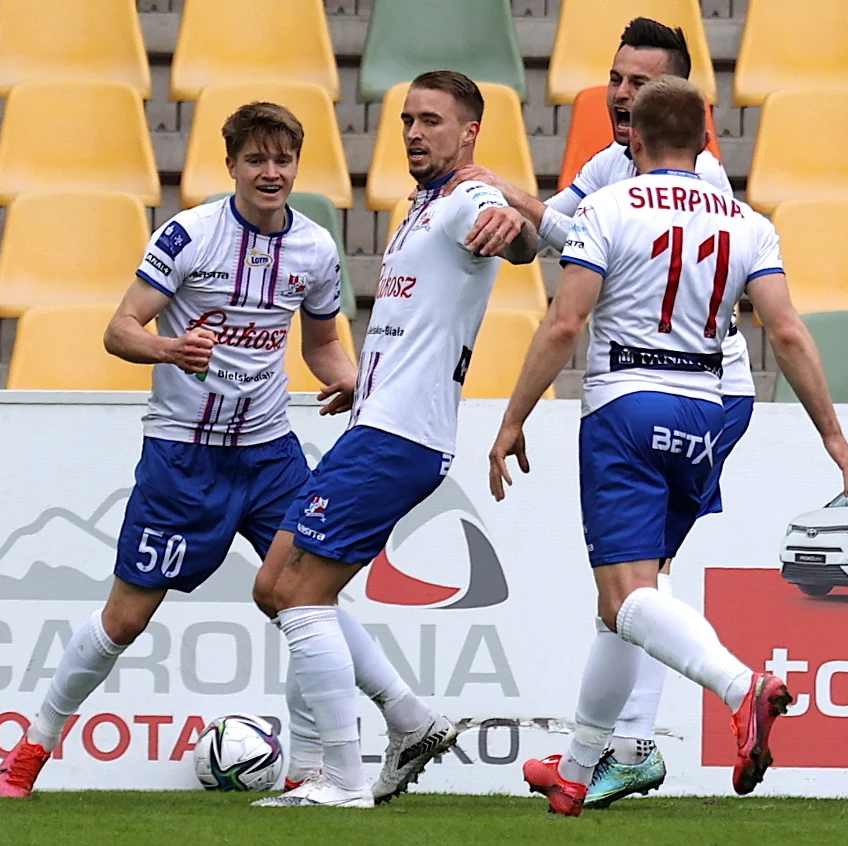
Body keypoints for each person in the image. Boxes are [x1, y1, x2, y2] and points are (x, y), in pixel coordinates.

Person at [0, 102, 428, 798]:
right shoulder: (188, 236)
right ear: (231, 166)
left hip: (270, 455)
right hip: (183, 458)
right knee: (125, 619)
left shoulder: (316, 248)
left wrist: (352, 383)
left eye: (283, 160)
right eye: (256, 160)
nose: (271, 173)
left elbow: (321, 344)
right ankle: (33, 746)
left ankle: (336, 755)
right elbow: (119, 329)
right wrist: (171, 348)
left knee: (304, 599)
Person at [487, 76, 848, 817]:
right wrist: (833, 433)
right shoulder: (747, 222)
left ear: (634, 136)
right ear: (705, 139)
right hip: (703, 416)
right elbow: (786, 331)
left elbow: (565, 323)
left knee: (626, 597)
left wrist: (512, 418)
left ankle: (740, 686)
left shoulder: (606, 208)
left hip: (626, 407)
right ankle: (577, 768)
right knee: (626, 602)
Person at [446, 17, 752, 808]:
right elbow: (557, 228)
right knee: (628, 593)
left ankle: (654, 735)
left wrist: (502, 192)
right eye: (616, 78)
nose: (620, 94)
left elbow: (574, 266)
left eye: (639, 83)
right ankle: (599, 756)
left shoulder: (701, 182)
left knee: (635, 590)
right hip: (675, 390)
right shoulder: (612, 163)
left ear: (673, 96)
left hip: (696, 390)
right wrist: (508, 207)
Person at [252, 70, 539, 809]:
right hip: (376, 419)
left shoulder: (466, 198)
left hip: (399, 438)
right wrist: (367, 382)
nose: (413, 132)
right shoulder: (422, 206)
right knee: (272, 588)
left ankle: (343, 779)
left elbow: (512, 236)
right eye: (408, 119)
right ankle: (410, 721)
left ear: (469, 132)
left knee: (301, 598)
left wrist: (513, 223)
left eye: (431, 121)